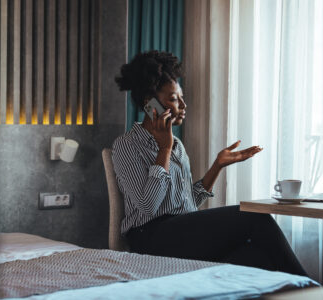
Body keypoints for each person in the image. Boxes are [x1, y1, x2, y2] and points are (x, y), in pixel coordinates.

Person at [112, 50, 307, 276]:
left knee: (254, 255)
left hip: (181, 229)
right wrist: (164, 149)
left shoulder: (178, 145)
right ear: (150, 103)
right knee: (255, 216)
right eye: (174, 99)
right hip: (150, 238)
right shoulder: (127, 145)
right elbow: (148, 206)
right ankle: (316, 291)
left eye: (182, 98)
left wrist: (217, 166)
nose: (184, 105)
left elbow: (187, 202)